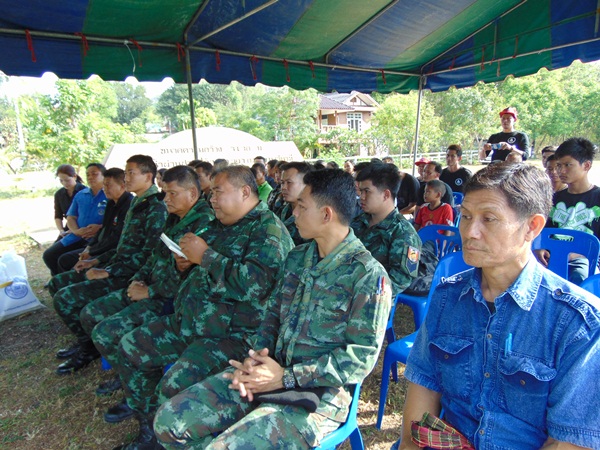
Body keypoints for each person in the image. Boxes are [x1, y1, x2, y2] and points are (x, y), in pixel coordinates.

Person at [154, 169, 392, 449]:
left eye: (301, 207)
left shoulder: (367, 276)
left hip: (316, 396)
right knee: (168, 422)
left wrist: (286, 377)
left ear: (326, 214)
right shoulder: (298, 258)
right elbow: (272, 317)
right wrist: (256, 360)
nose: (294, 214)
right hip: (268, 373)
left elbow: (360, 358)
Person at [397, 162, 600, 449]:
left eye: (489, 219)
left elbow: (568, 441)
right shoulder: (447, 296)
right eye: (466, 216)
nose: (470, 231)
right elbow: (423, 389)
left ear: (532, 226)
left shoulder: (578, 322)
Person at [110, 166, 294, 449]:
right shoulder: (218, 224)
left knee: (173, 386)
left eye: (218, 192)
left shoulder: (268, 231)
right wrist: (184, 263)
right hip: (191, 320)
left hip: (232, 336)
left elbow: (256, 285)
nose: (212, 199)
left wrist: (205, 256)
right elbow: (196, 266)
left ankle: (166, 436)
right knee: (130, 348)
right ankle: (149, 429)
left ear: (245, 192)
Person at [79, 166, 214, 398]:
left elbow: (189, 277)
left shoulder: (204, 223)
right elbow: (154, 256)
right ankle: (128, 376)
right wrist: (138, 279)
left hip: (169, 300)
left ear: (192, 193)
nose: (165, 199)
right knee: (91, 314)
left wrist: (150, 291)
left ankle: (140, 389)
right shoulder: (174, 217)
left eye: (172, 193)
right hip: (149, 288)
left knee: (106, 333)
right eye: (165, 192)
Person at [49, 155, 167, 374]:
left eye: (131, 173)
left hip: (130, 275)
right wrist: (96, 260)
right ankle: (86, 343)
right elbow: (124, 246)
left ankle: (88, 348)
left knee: (66, 298)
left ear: (148, 176)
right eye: (126, 172)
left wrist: (108, 271)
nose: (126, 177)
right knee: (58, 283)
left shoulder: (156, 208)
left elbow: (149, 255)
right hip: (118, 266)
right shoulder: (138, 203)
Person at [537, 137, 600, 285]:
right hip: (551, 259)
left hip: (585, 261)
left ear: (586, 165)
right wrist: (539, 248)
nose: (561, 171)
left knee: (580, 279)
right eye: (559, 165)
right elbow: (541, 232)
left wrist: (582, 254)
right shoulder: (552, 198)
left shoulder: (597, 198)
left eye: (568, 165)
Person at [352, 163, 421, 294]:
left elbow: (400, 281)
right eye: (361, 191)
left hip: (372, 298)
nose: (361, 197)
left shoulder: (404, 234)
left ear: (386, 195)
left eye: (367, 191)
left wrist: (358, 292)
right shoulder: (357, 222)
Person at [56, 168, 133, 273]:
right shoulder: (111, 203)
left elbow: (116, 237)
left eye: (108, 185)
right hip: (98, 245)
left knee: (68, 263)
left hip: (112, 251)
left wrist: (92, 252)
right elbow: (103, 229)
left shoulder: (129, 205)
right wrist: (89, 248)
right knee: (61, 259)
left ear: (123, 186)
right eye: (104, 185)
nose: (105, 189)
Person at [43, 163, 107, 276]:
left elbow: (117, 221)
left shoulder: (109, 195)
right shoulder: (81, 195)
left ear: (104, 175)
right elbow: (71, 217)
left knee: (65, 260)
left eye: (94, 174)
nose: (90, 177)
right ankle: (58, 280)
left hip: (97, 239)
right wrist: (76, 231)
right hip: (77, 236)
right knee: (49, 255)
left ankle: (67, 280)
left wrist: (100, 228)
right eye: (88, 174)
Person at [278, 161, 314, 245]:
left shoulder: (313, 217)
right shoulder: (281, 211)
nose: (283, 187)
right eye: (282, 183)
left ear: (306, 184)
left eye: (289, 182)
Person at [52, 164, 86, 240]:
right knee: (54, 247)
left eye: (67, 180)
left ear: (74, 176)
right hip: (68, 229)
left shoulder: (85, 191)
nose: (64, 183)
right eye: (61, 180)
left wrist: (75, 230)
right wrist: (61, 230)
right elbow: (58, 216)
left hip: (83, 228)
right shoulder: (59, 194)